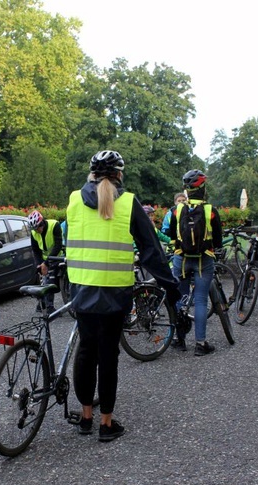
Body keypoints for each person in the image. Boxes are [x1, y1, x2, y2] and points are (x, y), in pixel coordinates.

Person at [66, 150, 180, 442]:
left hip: (81, 288)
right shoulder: (129, 203)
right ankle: (106, 424)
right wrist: (172, 285)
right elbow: (152, 250)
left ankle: (85, 418)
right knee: (108, 355)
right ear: (119, 175)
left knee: (86, 350)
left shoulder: (75, 200)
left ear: (91, 174)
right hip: (115, 292)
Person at [165, 169, 223, 356]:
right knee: (200, 300)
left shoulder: (177, 209)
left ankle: (178, 339)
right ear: (203, 189)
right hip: (203, 260)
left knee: (179, 298)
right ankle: (200, 343)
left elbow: (172, 234)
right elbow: (219, 241)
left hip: (181, 259)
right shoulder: (210, 211)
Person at [28, 209, 63, 314]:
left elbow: (58, 245)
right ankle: (47, 306)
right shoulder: (34, 233)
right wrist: (40, 264)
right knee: (47, 280)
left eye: (38, 227)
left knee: (52, 279)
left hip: (57, 256)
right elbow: (36, 250)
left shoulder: (54, 225)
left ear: (42, 222)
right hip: (44, 259)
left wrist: (46, 263)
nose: (37, 230)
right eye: (34, 229)